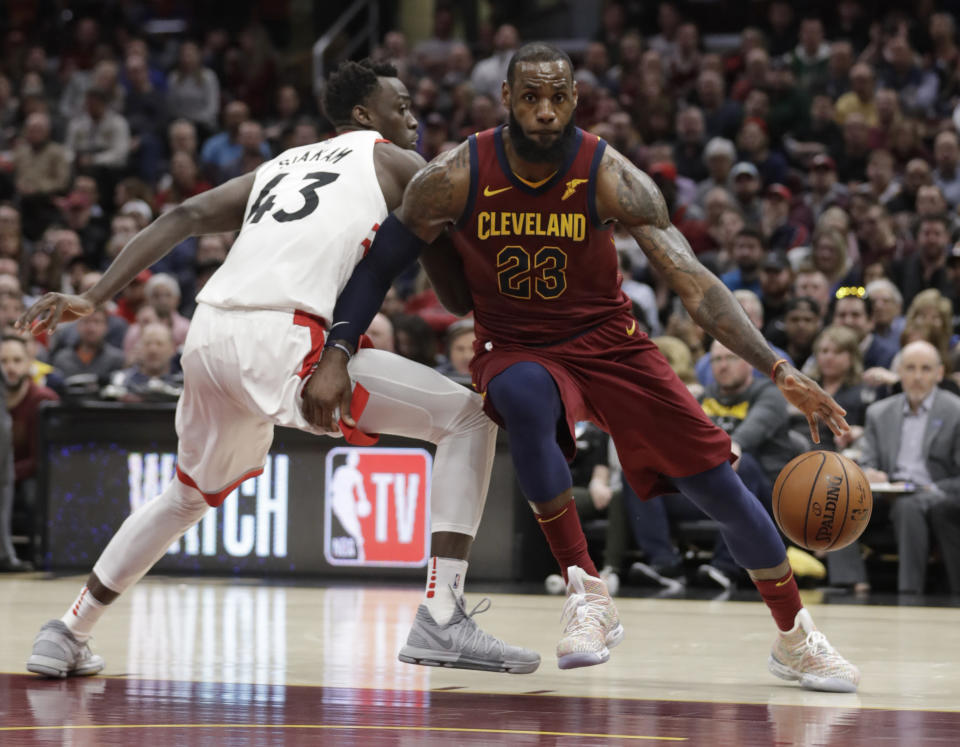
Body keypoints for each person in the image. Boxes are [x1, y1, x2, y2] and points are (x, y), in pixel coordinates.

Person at [310, 43, 859, 691]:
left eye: (559, 98)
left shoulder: (607, 173)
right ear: (508, 99)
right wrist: (337, 350)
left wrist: (777, 367)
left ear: (576, 100)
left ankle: (796, 636)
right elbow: (378, 266)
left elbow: (693, 281)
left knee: (721, 490)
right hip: (515, 345)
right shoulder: (456, 173)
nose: (545, 112)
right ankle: (585, 587)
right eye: (532, 98)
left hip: (611, 342)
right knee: (522, 395)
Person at [18, 59, 538, 679]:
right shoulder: (394, 161)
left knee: (185, 496)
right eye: (400, 107)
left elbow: (181, 216)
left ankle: (68, 629)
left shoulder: (282, 164)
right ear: (364, 116)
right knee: (469, 419)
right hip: (285, 335)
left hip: (209, 334)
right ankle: (444, 617)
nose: (413, 118)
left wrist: (95, 296)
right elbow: (454, 295)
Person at [858, 341, 960, 594]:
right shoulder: (878, 412)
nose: (917, 377)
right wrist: (870, 472)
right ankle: (849, 581)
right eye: (910, 368)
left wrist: (933, 488)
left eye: (925, 369)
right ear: (899, 372)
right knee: (841, 496)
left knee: (909, 506)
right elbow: (867, 459)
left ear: (938, 373)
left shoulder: (956, 411)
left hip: (934, 491)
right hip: (887, 490)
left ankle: (910, 591)